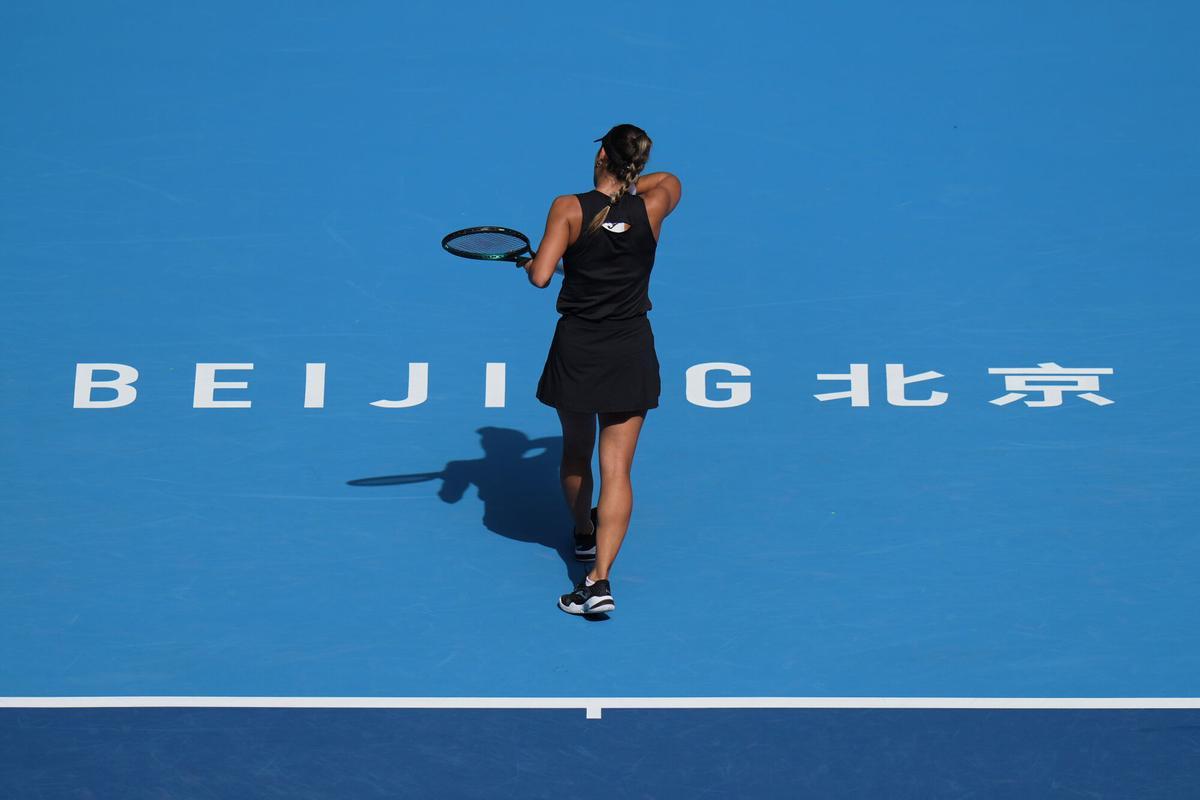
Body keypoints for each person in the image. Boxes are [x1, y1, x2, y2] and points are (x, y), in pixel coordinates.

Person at [521, 124, 682, 615]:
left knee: (576, 456)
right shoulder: (654, 205)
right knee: (618, 470)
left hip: (579, 350)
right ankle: (598, 581)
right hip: (630, 347)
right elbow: (665, 180)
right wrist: (625, 188)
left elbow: (542, 276)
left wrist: (534, 261)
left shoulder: (568, 208)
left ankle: (583, 534)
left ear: (600, 157)